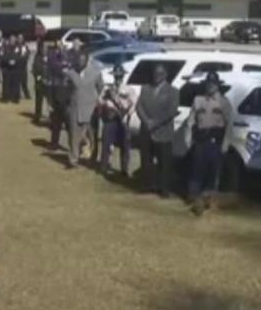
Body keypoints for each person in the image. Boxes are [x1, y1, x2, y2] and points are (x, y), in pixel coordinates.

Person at [184, 72, 234, 215]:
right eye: (208, 83)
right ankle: (193, 198)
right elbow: (190, 121)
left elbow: (229, 124)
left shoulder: (224, 102)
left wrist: (226, 143)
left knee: (213, 172)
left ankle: (209, 200)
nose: (210, 86)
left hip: (215, 141)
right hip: (200, 140)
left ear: (218, 85)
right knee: (196, 171)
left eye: (213, 84)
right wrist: (188, 138)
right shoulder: (198, 100)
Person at [135, 64, 179, 197]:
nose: (157, 76)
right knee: (146, 160)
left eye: (160, 73)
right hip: (146, 131)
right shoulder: (145, 88)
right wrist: (146, 121)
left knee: (164, 163)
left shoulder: (173, 91)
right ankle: (147, 185)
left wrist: (155, 122)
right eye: (155, 73)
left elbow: (171, 111)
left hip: (163, 132)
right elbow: (139, 106)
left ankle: (163, 188)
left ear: (166, 75)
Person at [64, 49, 103, 169]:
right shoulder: (71, 73)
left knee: (92, 136)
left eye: (83, 60)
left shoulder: (96, 73)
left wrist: (95, 100)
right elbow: (66, 88)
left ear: (87, 61)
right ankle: (73, 159)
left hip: (91, 109)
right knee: (74, 136)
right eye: (78, 60)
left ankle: (93, 159)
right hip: (75, 108)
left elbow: (100, 87)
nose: (80, 63)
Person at [98, 64, 136, 176]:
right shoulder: (108, 89)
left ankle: (124, 169)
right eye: (116, 76)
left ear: (123, 76)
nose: (118, 78)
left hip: (123, 119)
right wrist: (106, 104)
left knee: (125, 145)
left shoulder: (129, 89)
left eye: (120, 76)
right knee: (106, 144)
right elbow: (100, 100)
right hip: (110, 119)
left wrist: (128, 112)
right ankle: (104, 167)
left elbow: (134, 103)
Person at [32, 41, 52, 124]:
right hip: (40, 83)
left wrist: (49, 79)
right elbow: (35, 71)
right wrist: (40, 79)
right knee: (38, 101)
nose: (44, 50)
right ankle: (37, 116)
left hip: (49, 83)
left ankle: (51, 118)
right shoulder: (37, 58)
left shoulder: (51, 57)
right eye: (43, 48)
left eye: (46, 48)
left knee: (50, 102)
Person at [0, 36, 22, 103]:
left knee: (15, 84)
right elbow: (3, 57)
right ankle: (5, 98)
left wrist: (15, 61)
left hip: (15, 68)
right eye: (11, 40)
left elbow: (20, 57)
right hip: (7, 68)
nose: (12, 41)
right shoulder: (5, 48)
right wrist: (8, 61)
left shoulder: (18, 47)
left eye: (14, 40)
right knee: (6, 84)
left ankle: (15, 98)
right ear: (9, 40)